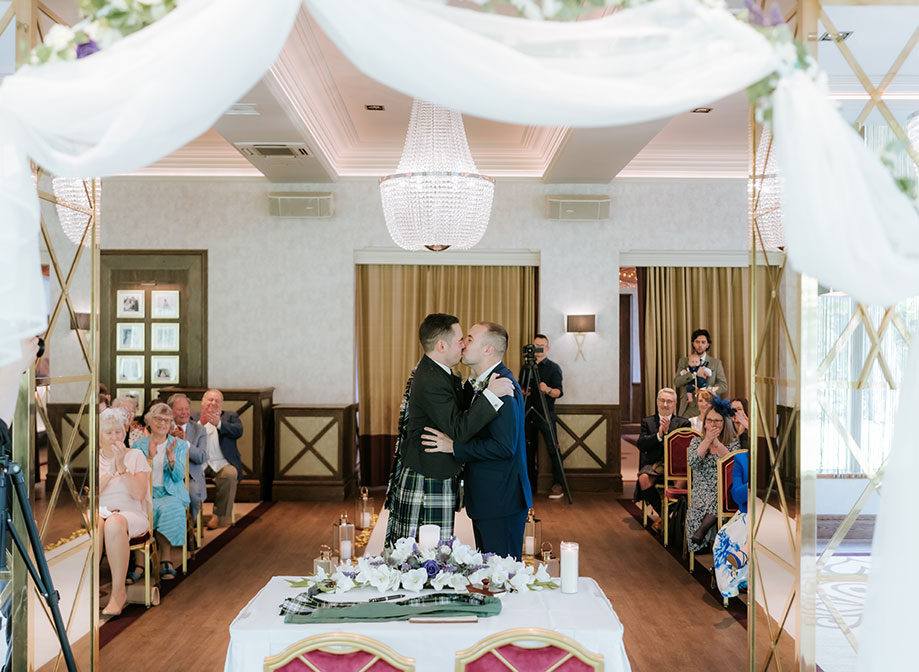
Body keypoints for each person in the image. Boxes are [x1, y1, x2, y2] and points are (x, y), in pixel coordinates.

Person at [385, 313, 512, 546]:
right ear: (442, 345)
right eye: (460, 339)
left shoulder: (441, 373)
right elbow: (459, 429)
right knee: (420, 555)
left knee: (433, 555)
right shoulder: (431, 379)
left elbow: (458, 409)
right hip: (427, 474)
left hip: (435, 470)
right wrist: (491, 395)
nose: (463, 344)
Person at [422, 322, 532, 559]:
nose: (463, 343)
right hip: (488, 499)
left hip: (502, 500)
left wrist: (454, 447)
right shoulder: (479, 385)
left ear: (488, 350)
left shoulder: (504, 387)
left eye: (470, 339)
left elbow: (505, 447)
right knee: (489, 573)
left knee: (502, 575)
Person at [98, 408, 150, 616]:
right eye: (109, 433)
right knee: (95, 523)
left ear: (125, 432)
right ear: (100, 435)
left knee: (114, 522)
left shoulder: (136, 455)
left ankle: (118, 592)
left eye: (118, 432)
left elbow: (139, 494)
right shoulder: (95, 459)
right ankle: (90, 591)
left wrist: (121, 467)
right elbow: (89, 495)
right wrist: (110, 470)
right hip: (101, 511)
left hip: (131, 513)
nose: (114, 437)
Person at [133, 403, 190, 580]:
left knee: (170, 509)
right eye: (158, 419)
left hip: (170, 492)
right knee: (137, 512)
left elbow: (178, 477)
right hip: (144, 492)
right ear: (150, 421)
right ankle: (140, 563)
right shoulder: (138, 445)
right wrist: (149, 458)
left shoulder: (178, 445)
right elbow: (134, 472)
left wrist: (171, 459)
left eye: (167, 420)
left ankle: (166, 559)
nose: (162, 423)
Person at [686, 401, 739, 553]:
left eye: (717, 420)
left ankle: (703, 529)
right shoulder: (696, 441)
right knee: (698, 510)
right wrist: (708, 440)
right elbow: (693, 462)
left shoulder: (732, 442)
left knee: (720, 498)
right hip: (701, 490)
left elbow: (730, 463)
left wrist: (716, 442)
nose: (713, 424)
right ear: (704, 422)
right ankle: (702, 535)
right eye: (709, 420)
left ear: (725, 422)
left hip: (724, 488)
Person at [635, 387, 690, 532]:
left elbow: (683, 445)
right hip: (655, 462)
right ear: (657, 402)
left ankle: (662, 520)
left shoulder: (683, 423)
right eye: (662, 401)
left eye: (669, 401)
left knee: (682, 481)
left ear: (674, 404)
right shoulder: (648, 422)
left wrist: (668, 433)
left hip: (676, 464)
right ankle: (667, 517)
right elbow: (641, 444)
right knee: (643, 478)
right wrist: (659, 435)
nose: (665, 405)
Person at [519, 333, 565, 499]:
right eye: (535, 346)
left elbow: (559, 392)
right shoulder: (525, 368)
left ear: (547, 348)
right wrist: (523, 391)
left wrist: (547, 390)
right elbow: (520, 388)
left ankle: (558, 483)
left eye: (542, 346)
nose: (538, 349)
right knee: (527, 450)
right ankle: (529, 485)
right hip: (527, 413)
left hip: (546, 413)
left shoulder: (553, 368)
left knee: (553, 448)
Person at [192, 389, 243, 529]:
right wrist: (200, 424)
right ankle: (192, 516)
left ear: (221, 404)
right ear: (203, 401)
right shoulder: (192, 417)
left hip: (221, 463)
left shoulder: (230, 416)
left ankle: (218, 515)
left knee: (230, 474)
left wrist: (218, 423)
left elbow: (238, 431)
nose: (213, 403)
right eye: (210, 399)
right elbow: (186, 437)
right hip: (198, 464)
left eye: (217, 401)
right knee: (186, 478)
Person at [713, 440, 749, 601]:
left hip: (771, 514)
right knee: (726, 537)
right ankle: (745, 552)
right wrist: (754, 483)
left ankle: (745, 552)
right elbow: (737, 496)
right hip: (746, 513)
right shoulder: (741, 459)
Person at [168, 393, 208, 521]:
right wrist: (169, 440)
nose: (184, 412)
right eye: (180, 409)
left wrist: (185, 443)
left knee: (193, 494)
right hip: (167, 475)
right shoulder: (164, 427)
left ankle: (188, 529)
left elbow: (202, 457)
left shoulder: (199, 430)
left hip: (190, 476)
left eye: (187, 409)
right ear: (171, 411)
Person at [674, 329, 728, 417]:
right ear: (693, 343)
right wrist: (693, 375)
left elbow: (723, 385)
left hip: (709, 406)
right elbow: (677, 382)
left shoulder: (716, 363)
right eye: (697, 342)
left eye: (703, 342)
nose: (700, 345)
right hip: (688, 407)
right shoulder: (683, 361)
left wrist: (706, 390)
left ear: (707, 345)